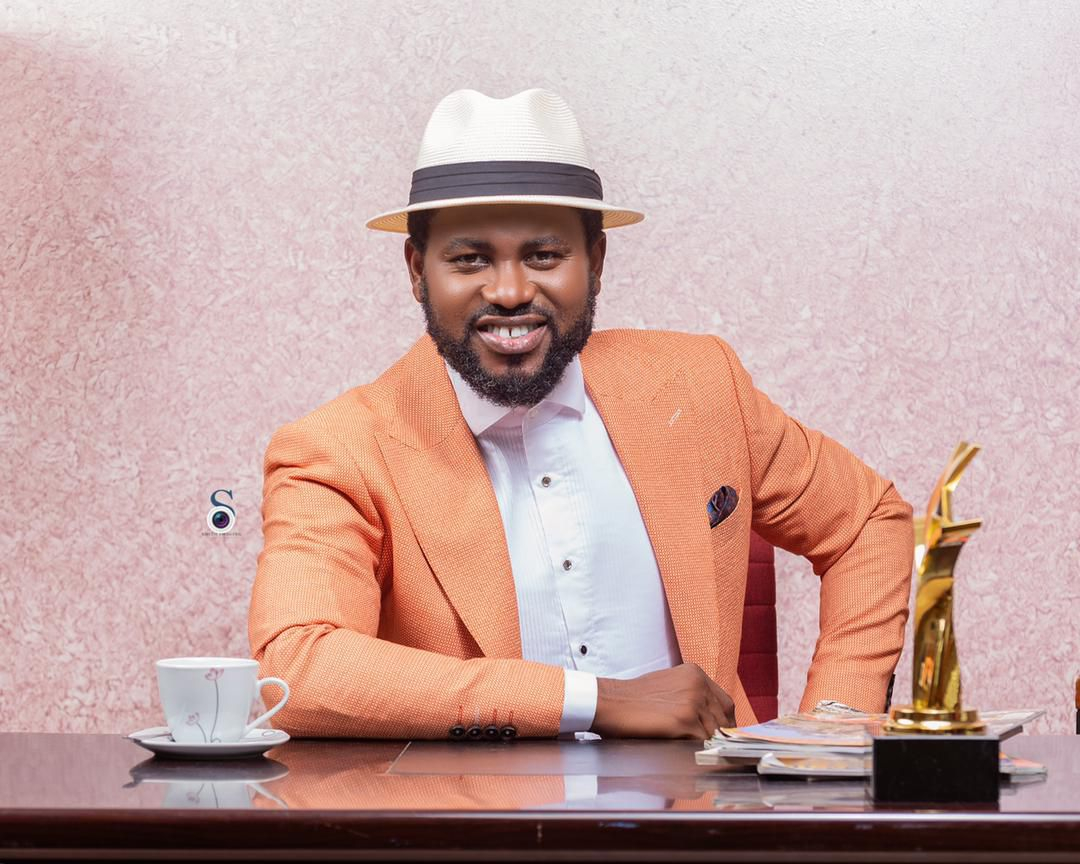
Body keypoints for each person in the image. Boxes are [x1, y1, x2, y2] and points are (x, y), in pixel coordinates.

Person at [248, 88, 913, 741]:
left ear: (595, 261)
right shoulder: (337, 450)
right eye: (470, 258)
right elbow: (295, 668)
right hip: (473, 813)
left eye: (544, 255)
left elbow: (865, 521)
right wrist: (594, 701)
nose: (510, 292)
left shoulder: (700, 386)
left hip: (700, 812)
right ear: (418, 271)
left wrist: (834, 732)